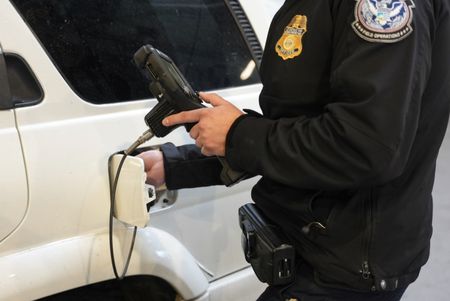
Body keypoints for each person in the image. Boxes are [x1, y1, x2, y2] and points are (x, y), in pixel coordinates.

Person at [138, 0, 450, 300]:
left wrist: (237, 134)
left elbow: (367, 146)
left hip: (343, 268)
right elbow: (293, 129)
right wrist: (178, 164)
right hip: (312, 248)